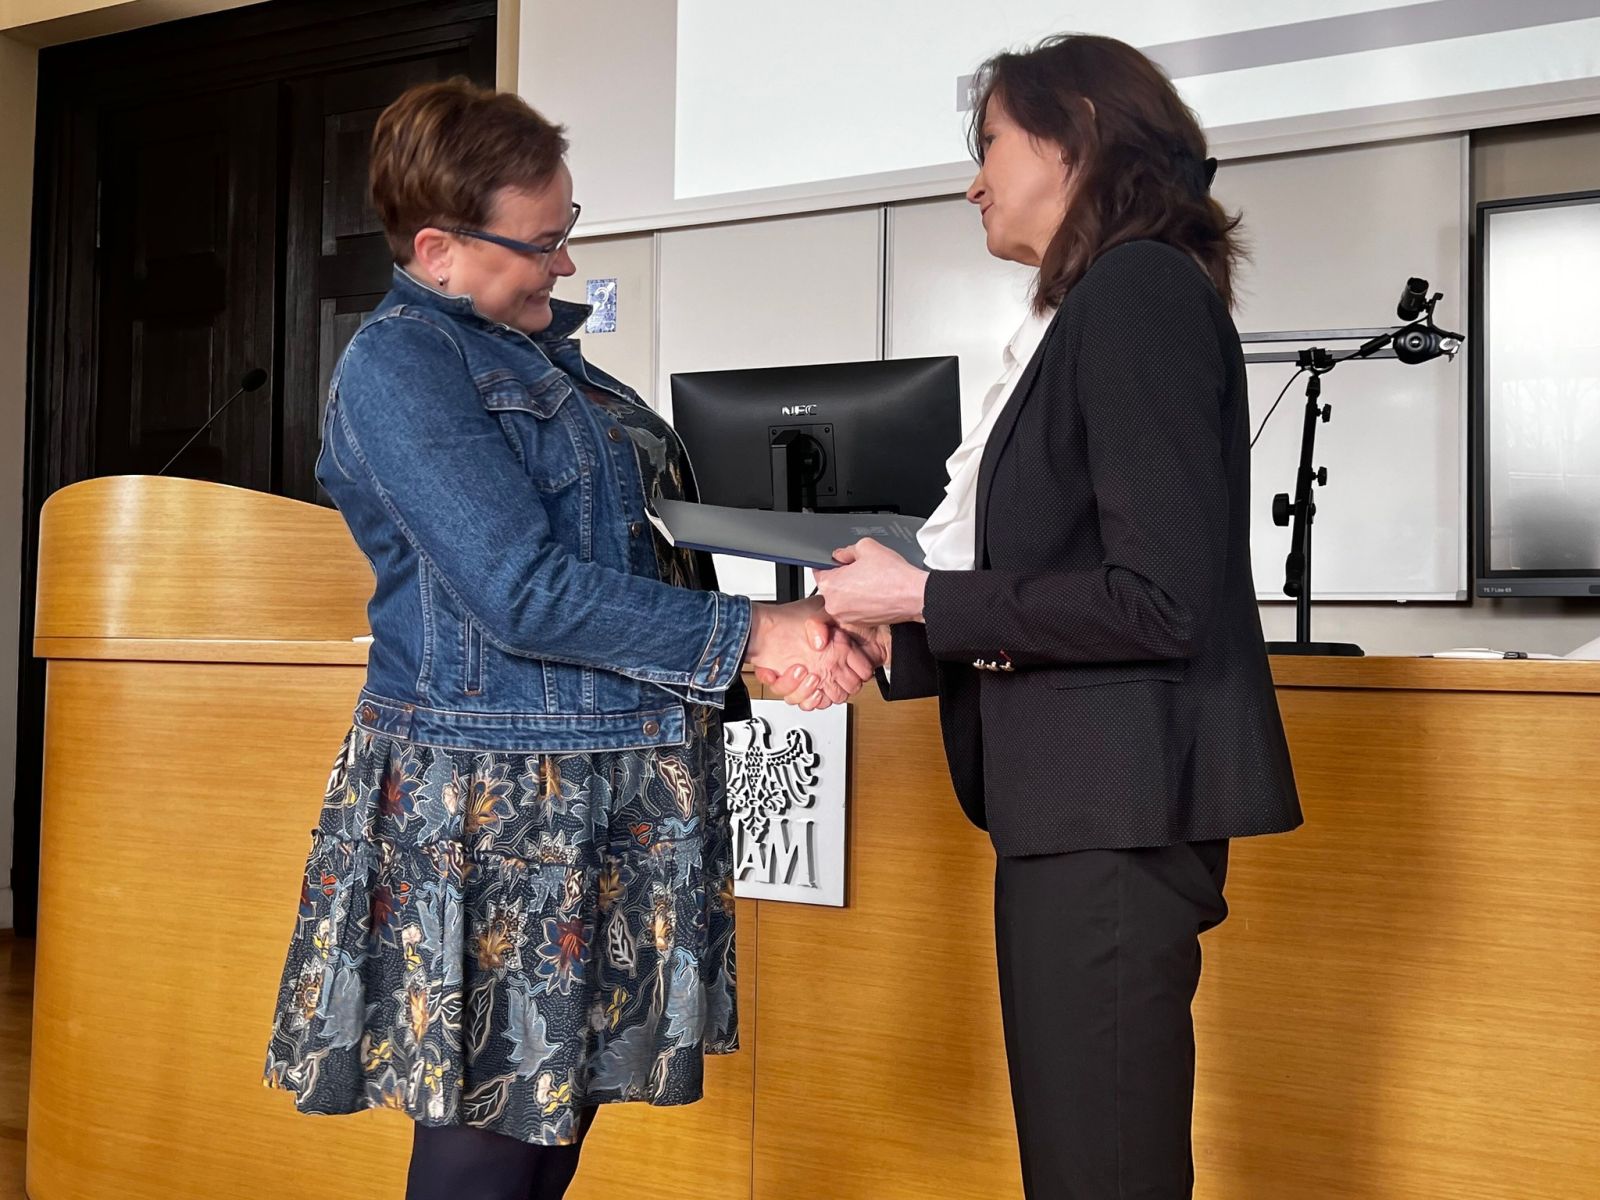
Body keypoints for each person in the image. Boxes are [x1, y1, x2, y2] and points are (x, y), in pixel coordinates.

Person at [262, 79, 875, 1200]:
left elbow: (625, 557)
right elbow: (521, 592)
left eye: (566, 233)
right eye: (541, 244)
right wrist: (751, 634)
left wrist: (789, 627)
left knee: (553, 1123)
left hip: (606, 779)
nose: (560, 266)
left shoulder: (546, 358)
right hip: (500, 805)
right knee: (491, 1135)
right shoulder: (402, 366)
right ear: (438, 247)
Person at [770, 34, 1303, 1200]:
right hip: (1079, 806)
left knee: (1098, 1170)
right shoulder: (1104, 299)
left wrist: (918, 596)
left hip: (1110, 808)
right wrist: (891, 626)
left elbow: (1156, 600)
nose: (973, 180)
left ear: (1073, 141)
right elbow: (1066, 578)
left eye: (990, 146)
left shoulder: (1137, 291)